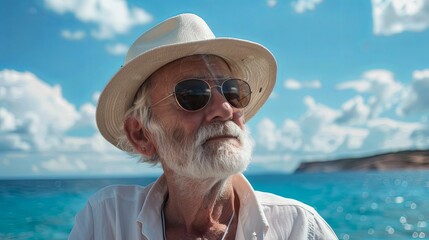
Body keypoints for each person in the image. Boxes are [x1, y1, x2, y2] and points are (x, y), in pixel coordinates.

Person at [69, 13, 338, 240]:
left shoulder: (299, 228)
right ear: (142, 135)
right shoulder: (106, 220)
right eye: (192, 95)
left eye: (233, 92)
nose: (225, 109)